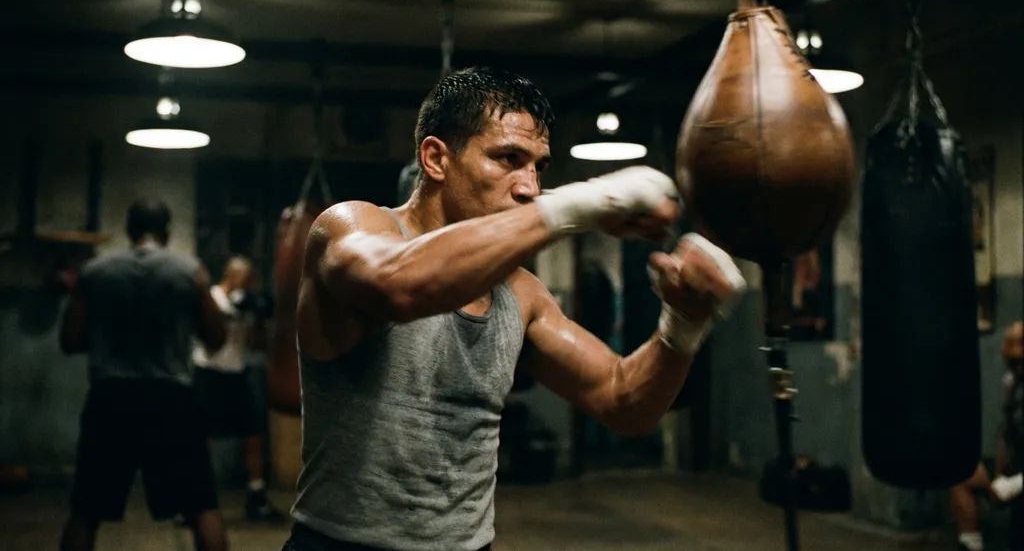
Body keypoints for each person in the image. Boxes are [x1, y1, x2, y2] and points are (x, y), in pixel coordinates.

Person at [280, 66, 746, 551]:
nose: (528, 186)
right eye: (508, 158)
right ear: (436, 159)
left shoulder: (521, 294)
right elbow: (398, 285)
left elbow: (623, 400)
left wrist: (684, 323)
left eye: (538, 167)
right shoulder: (352, 226)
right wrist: (583, 203)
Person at [57, 199, 229, 551]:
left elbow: (70, 340)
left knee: (86, 511)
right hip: (172, 400)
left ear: (128, 230)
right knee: (202, 508)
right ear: (166, 231)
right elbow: (216, 339)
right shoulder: (190, 271)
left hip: (111, 399)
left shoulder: (96, 271)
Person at [191, 256, 284, 522]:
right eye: (243, 277)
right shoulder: (213, 297)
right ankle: (196, 498)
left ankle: (256, 498)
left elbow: (256, 344)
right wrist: (229, 313)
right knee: (202, 437)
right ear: (230, 275)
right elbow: (209, 340)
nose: (247, 282)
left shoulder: (247, 301)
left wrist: (255, 317)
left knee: (253, 434)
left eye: (250, 278)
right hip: (209, 372)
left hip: (237, 373)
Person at [949, 320, 1024, 551]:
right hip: (1018, 467)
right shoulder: (1011, 384)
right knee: (961, 473)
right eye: (1009, 359)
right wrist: (1000, 475)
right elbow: (1006, 436)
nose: (1013, 363)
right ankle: (971, 545)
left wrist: (1013, 485)